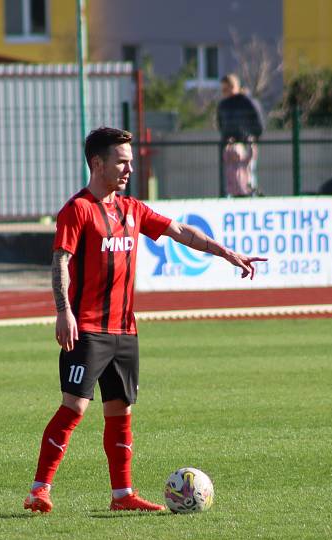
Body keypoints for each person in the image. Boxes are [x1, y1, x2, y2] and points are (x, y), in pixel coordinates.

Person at [24, 127, 267, 513]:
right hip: (87, 329)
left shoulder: (132, 209)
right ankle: (40, 489)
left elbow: (181, 231)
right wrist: (63, 310)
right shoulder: (77, 210)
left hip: (125, 331)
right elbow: (60, 262)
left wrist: (226, 253)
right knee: (74, 408)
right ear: (97, 162)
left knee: (121, 411)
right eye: (122, 161)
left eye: (131, 161)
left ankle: (122, 495)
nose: (129, 168)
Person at [217, 74, 264, 196]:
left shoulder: (247, 102)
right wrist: (227, 139)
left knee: (247, 173)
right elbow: (221, 124)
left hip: (245, 144)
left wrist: (250, 138)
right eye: (223, 89)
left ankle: (250, 196)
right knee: (231, 176)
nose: (225, 92)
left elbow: (258, 123)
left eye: (227, 88)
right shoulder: (223, 105)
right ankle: (232, 196)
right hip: (230, 147)